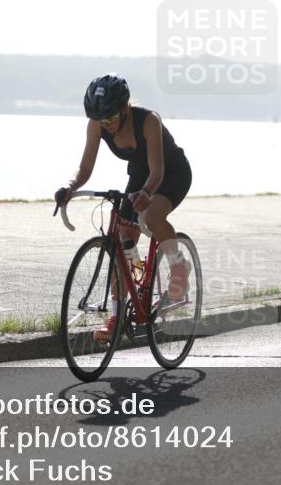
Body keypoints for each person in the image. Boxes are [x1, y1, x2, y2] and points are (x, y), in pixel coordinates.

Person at [56, 74, 193, 343]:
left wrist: (146, 193)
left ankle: (179, 267)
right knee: (123, 239)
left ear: (125, 108)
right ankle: (122, 310)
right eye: (100, 121)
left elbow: (158, 171)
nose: (105, 126)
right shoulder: (97, 124)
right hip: (141, 174)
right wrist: (70, 187)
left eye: (110, 119)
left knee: (152, 216)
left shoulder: (149, 121)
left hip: (171, 173)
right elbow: (85, 168)